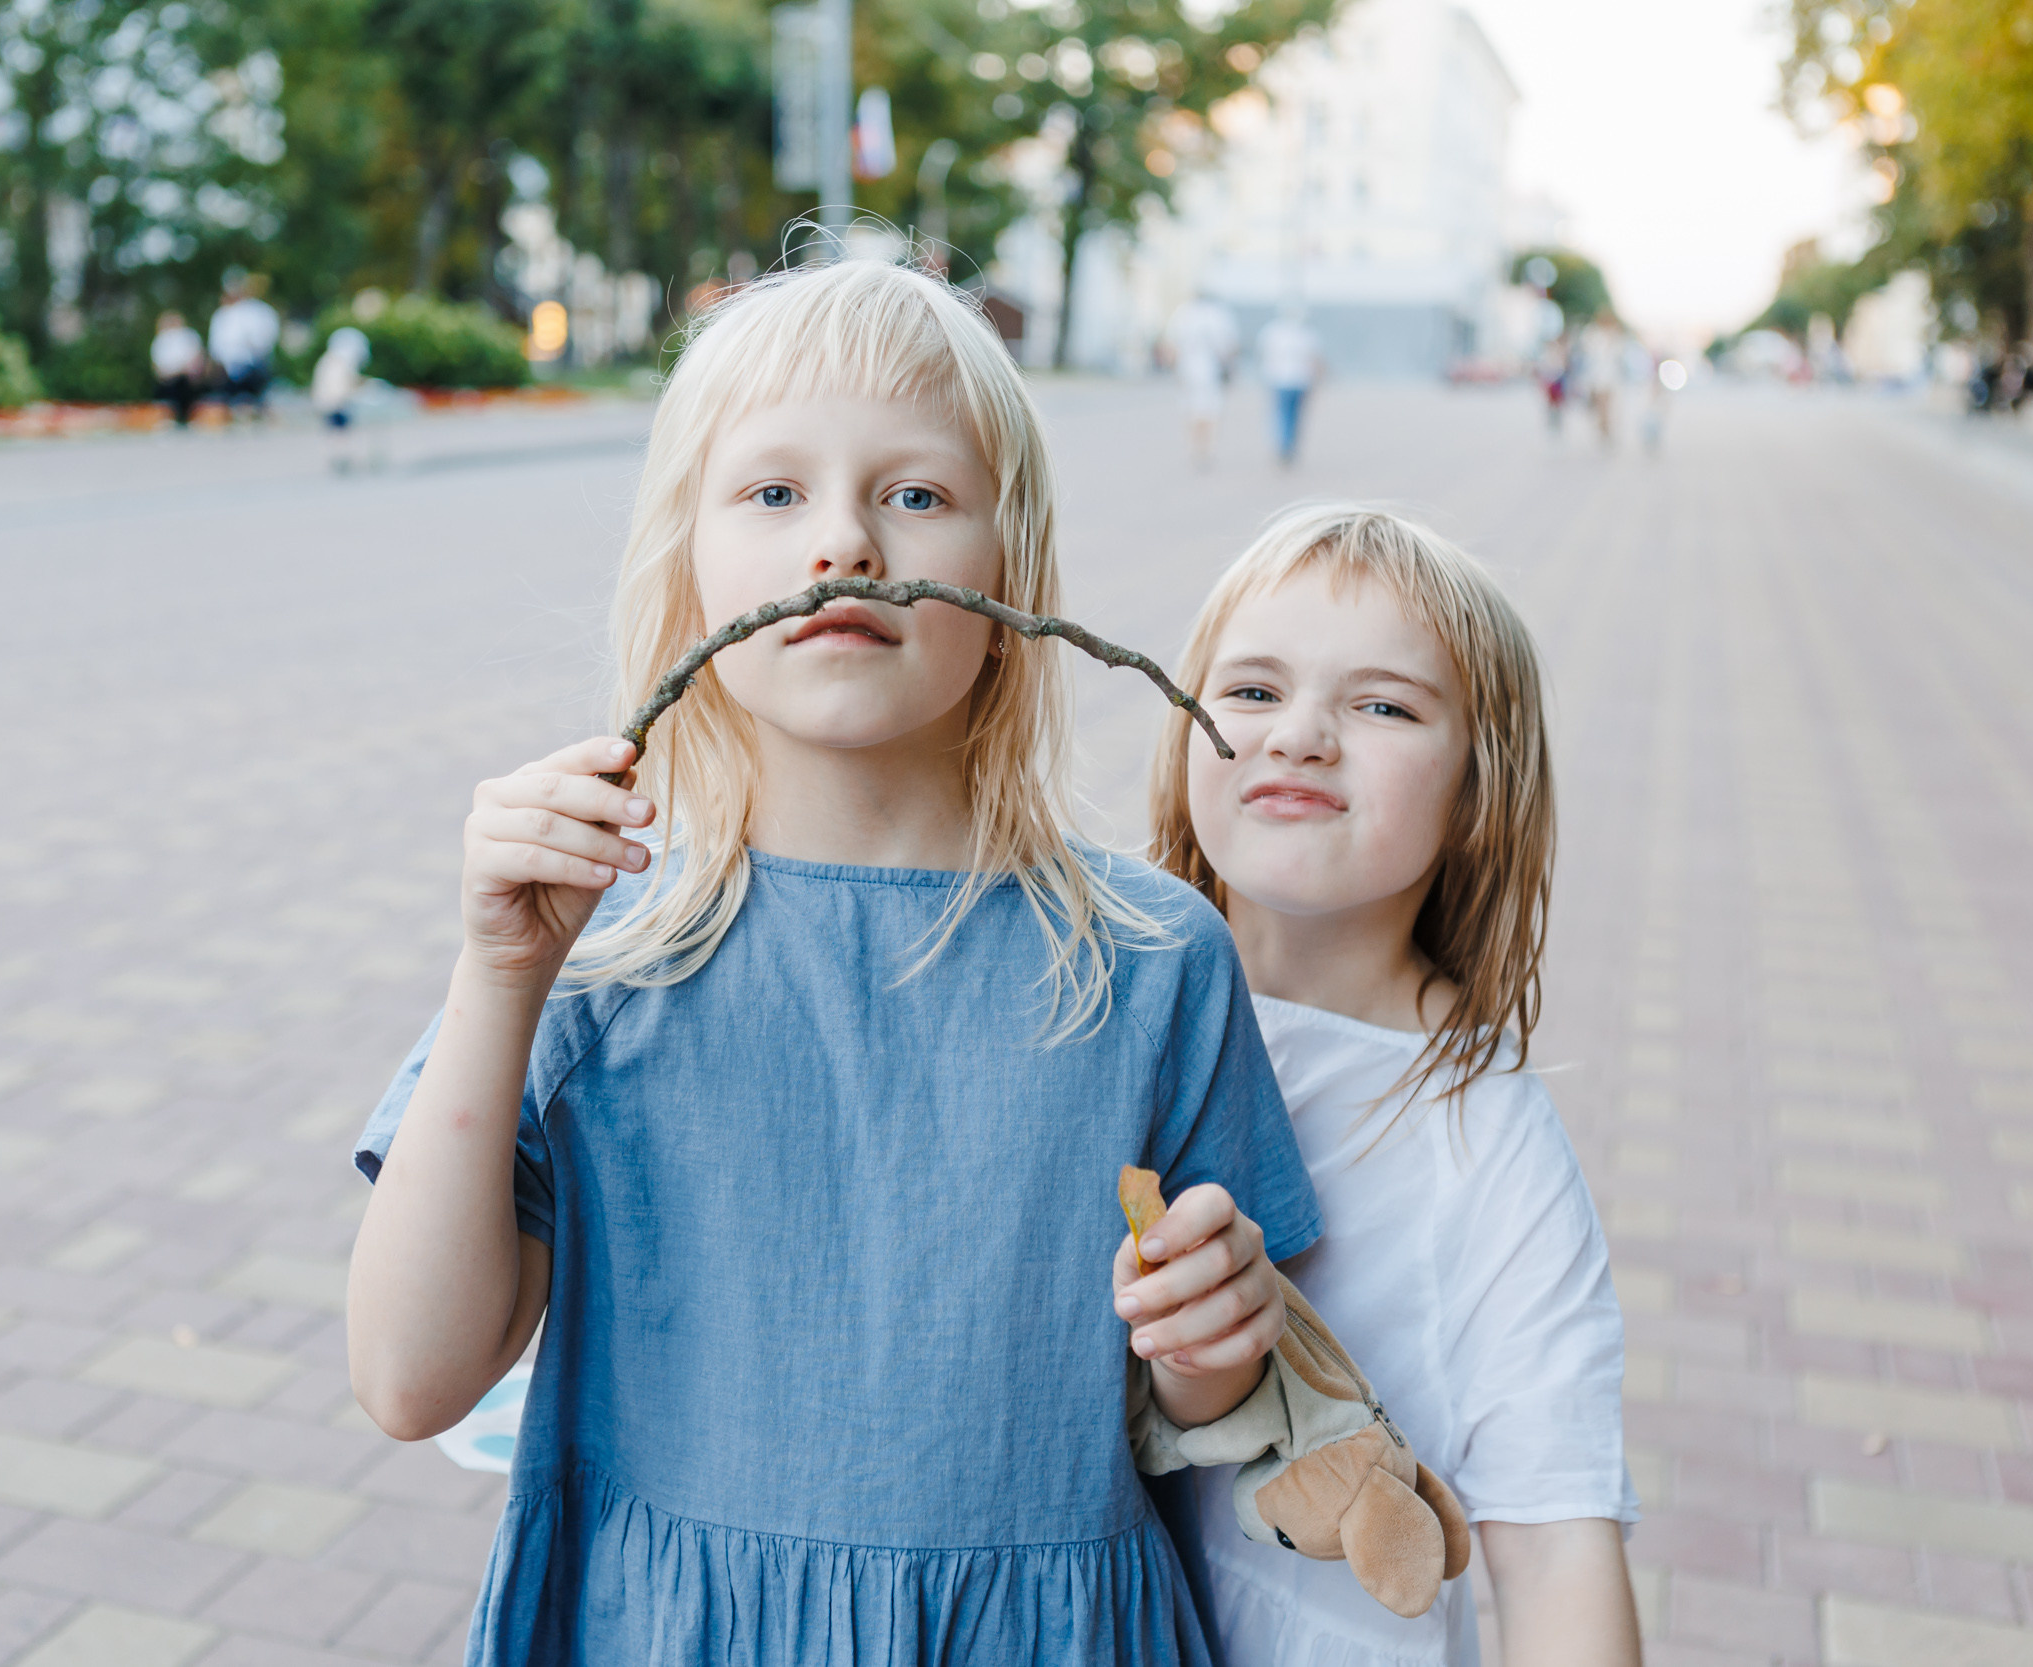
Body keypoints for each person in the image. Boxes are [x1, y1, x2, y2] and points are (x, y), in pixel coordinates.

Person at [345, 258, 1324, 1666]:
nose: (844, 542)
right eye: (773, 493)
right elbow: (408, 1375)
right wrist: (499, 975)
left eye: (916, 495)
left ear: (1012, 572)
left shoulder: (1152, 958)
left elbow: (1210, 1398)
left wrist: (1213, 1333)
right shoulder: (595, 952)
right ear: (687, 567)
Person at [1145, 505, 1641, 1667]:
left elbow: (1557, 1537)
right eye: (1254, 691)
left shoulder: (1485, 1138)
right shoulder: (1099, 994)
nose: (1301, 735)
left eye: (1382, 706)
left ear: (1478, 791)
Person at [1168, 291, 1240, 470]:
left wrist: (1174, 369)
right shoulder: (1219, 315)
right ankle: (1207, 450)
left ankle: (1194, 448)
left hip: (1187, 369)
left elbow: (1171, 346)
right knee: (1212, 412)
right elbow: (1230, 347)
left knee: (1191, 410)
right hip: (1211, 370)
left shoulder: (1183, 313)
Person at [1255, 308, 1325, 469]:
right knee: (1295, 415)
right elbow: (1316, 360)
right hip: (1300, 380)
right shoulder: (1307, 333)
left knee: (1281, 414)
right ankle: (1289, 445)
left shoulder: (1272, 331)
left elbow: (1262, 354)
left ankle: (1283, 444)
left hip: (1279, 379)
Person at [207, 272, 279, 421]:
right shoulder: (222, 314)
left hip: (252, 364)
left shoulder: (257, 311)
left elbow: (263, 341)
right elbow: (217, 346)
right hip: (228, 367)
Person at [311, 325, 371, 472]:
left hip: (328, 402)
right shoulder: (339, 362)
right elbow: (341, 386)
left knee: (335, 431)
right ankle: (341, 459)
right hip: (336, 403)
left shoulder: (329, 360)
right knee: (339, 432)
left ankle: (339, 459)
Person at [1577, 313, 1627, 448]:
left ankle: (1605, 430)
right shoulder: (1594, 334)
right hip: (1597, 378)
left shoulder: (1616, 337)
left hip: (1609, 378)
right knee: (1601, 407)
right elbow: (1589, 353)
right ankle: (1604, 429)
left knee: (1606, 407)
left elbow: (1618, 356)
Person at [149, 310, 205, 427]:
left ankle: (189, 416)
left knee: (183, 385)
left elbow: (196, 358)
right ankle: (170, 417)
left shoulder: (189, 335)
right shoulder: (161, 339)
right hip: (168, 377)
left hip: (186, 376)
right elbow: (157, 366)